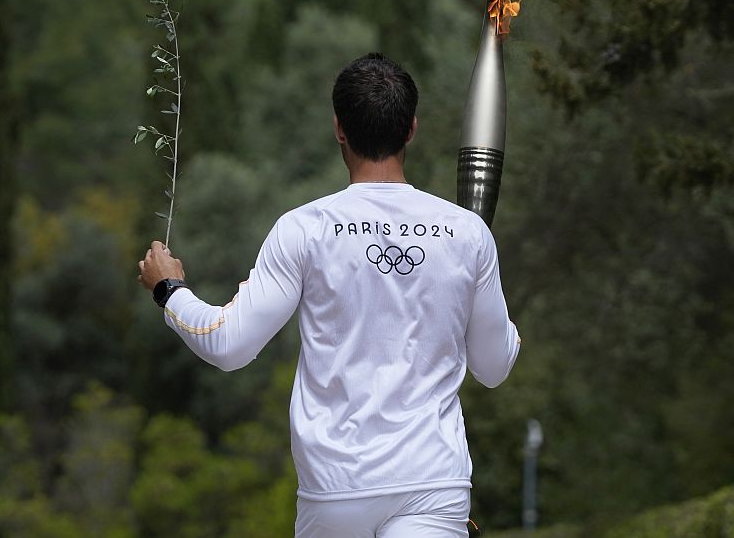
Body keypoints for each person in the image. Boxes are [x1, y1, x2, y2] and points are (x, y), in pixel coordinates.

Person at [137, 52, 521, 538]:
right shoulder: (467, 234)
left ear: (339, 128)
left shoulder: (304, 230)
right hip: (432, 483)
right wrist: (501, 323)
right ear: (411, 129)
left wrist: (169, 289)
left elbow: (228, 345)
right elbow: (494, 365)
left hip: (336, 489)